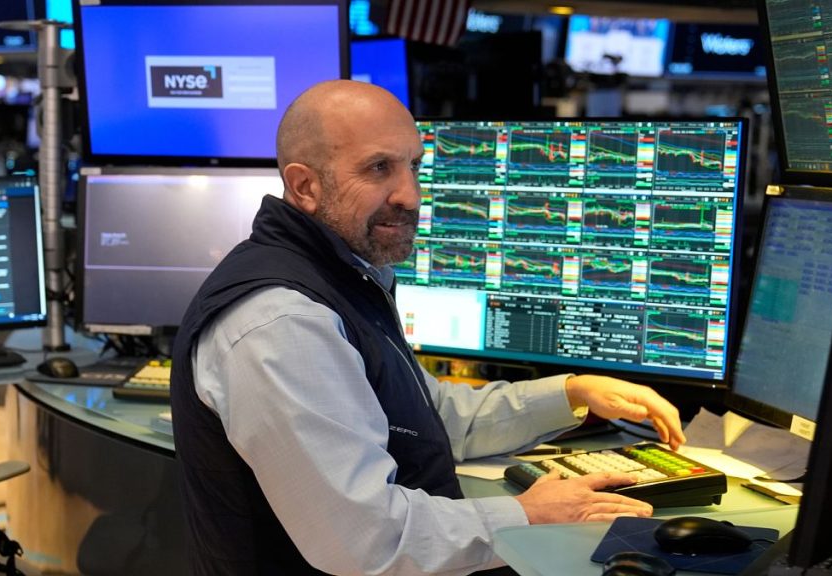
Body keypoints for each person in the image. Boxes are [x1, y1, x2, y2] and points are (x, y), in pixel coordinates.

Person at [170, 79, 687, 576]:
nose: (411, 196)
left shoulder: (341, 275)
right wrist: (529, 513)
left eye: (413, 166)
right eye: (378, 169)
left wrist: (572, 394)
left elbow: (424, 421)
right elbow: (368, 542)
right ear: (305, 186)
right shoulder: (284, 323)